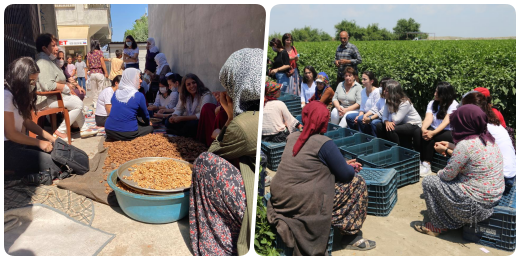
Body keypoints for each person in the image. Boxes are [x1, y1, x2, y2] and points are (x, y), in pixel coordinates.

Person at [267, 101, 375, 256]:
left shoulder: (292, 137)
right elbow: (346, 175)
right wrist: (349, 167)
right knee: (357, 183)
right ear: (325, 121)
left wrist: (342, 163)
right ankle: (350, 237)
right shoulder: (324, 143)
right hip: (301, 203)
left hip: (280, 198)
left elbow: (310, 163)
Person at [189, 48, 262, 256]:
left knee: (203, 163)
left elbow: (213, 153)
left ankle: (217, 244)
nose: (225, 92)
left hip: (251, 204)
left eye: (228, 85)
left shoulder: (244, 124)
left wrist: (230, 116)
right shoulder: (261, 109)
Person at [415, 104, 504, 236]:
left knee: (429, 182)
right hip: (492, 200)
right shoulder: (488, 139)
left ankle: (439, 225)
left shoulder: (465, 145)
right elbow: (473, 156)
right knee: (455, 178)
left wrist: (438, 172)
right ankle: (452, 218)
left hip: (475, 207)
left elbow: (447, 176)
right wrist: (451, 146)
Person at [3, 57, 66, 181]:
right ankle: (10, 170)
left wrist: (51, 138)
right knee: (54, 166)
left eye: (34, 81)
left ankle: (13, 170)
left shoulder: (18, 95)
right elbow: (10, 134)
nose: (33, 85)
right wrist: (39, 142)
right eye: (31, 81)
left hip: (17, 143)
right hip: (6, 148)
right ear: (20, 78)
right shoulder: (6, 95)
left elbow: (27, 121)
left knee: (56, 156)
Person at [34, 33, 97, 141]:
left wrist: (67, 87)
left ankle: (84, 128)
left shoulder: (48, 61)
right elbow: (48, 85)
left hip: (53, 97)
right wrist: (65, 88)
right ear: (44, 48)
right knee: (78, 104)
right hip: (46, 99)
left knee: (76, 100)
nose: (56, 48)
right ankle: (60, 132)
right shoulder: (43, 62)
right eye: (53, 46)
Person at [461, 91, 516, 193]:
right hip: (510, 175)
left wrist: (447, 150)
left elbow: (468, 157)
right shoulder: (492, 122)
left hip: (501, 180)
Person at [413, 82, 458, 176]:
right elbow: (428, 117)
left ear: (444, 94)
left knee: (432, 137)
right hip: (434, 129)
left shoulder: (453, 105)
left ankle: (427, 163)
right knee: (417, 132)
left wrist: (432, 133)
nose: (434, 94)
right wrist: (424, 129)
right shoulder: (432, 103)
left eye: (437, 92)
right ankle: (419, 159)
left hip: (448, 131)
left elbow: (446, 122)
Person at [105, 68, 153, 141]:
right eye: (138, 78)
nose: (141, 81)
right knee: (150, 128)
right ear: (131, 80)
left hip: (109, 131)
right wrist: (148, 123)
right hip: (128, 133)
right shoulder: (138, 95)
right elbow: (145, 115)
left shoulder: (116, 93)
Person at [166, 73, 217, 137]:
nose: (192, 86)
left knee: (191, 125)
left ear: (198, 83)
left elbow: (202, 115)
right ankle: (181, 132)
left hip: (201, 121)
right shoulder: (184, 95)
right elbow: (179, 109)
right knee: (168, 120)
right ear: (185, 87)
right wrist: (174, 116)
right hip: (188, 119)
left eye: (194, 83)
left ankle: (180, 133)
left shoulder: (205, 94)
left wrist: (182, 118)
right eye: (188, 84)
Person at [376, 80, 422, 150]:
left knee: (391, 129)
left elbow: (396, 120)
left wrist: (392, 107)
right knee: (379, 126)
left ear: (392, 93)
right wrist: (386, 122)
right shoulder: (388, 101)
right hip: (401, 123)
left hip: (413, 124)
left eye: (386, 91)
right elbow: (384, 116)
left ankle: (397, 151)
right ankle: (384, 148)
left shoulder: (405, 102)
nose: (384, 92)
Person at [86, 40, 109, 108]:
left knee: (94, 90)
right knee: (100, 89)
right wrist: (106, 72)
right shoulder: (100, 53)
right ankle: (100, 102)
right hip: (99, 72)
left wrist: (92, 67)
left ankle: (95, 103)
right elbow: (102, 63)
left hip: (92, 73)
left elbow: (87, 64)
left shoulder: (89, 54)